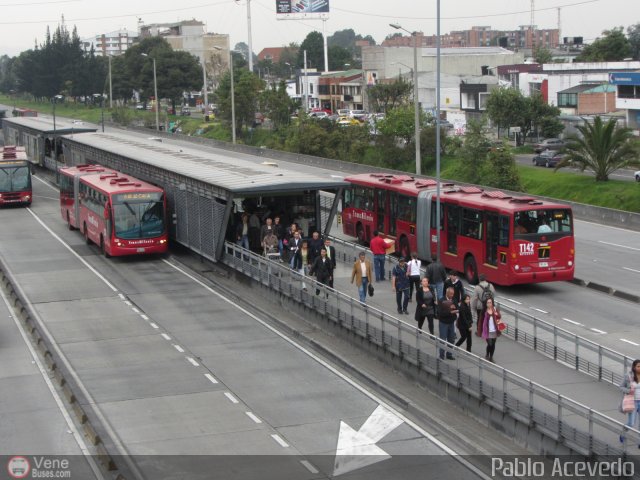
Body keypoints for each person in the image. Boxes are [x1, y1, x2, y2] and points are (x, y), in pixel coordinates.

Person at [619, 360, 640, 445]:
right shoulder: (628, 376)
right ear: (634, 367)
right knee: (631, 423)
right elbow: (621, 387)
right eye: (638, 366)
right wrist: (628, 390)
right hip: (632, 401)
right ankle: (623, 432)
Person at [438, 287, 458, 360]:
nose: (452, 295)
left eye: (453, 294)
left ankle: (449, 354)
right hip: (443, 322)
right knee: (443, 339)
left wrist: (455, 309)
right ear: (447, 293)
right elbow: (440, 313)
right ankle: (441, 355)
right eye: (451, 294)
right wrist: (450, 311)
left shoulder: (454, 299)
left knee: (451, 339)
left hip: (451, 322)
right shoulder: (441, 301)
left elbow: (457, 307)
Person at [481, 297, 501, 362]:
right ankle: (487, 354)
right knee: (490, 344)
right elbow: (481, 321)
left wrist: (496, 314)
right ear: (486, 304)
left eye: (490, 302)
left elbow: (499, 316)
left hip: (494, 330)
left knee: (493, 344)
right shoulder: (484, 311)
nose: (489, 304)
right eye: (488, 303)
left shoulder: (494, 309)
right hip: (487, 331)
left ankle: (491, 357)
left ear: (492, 303)